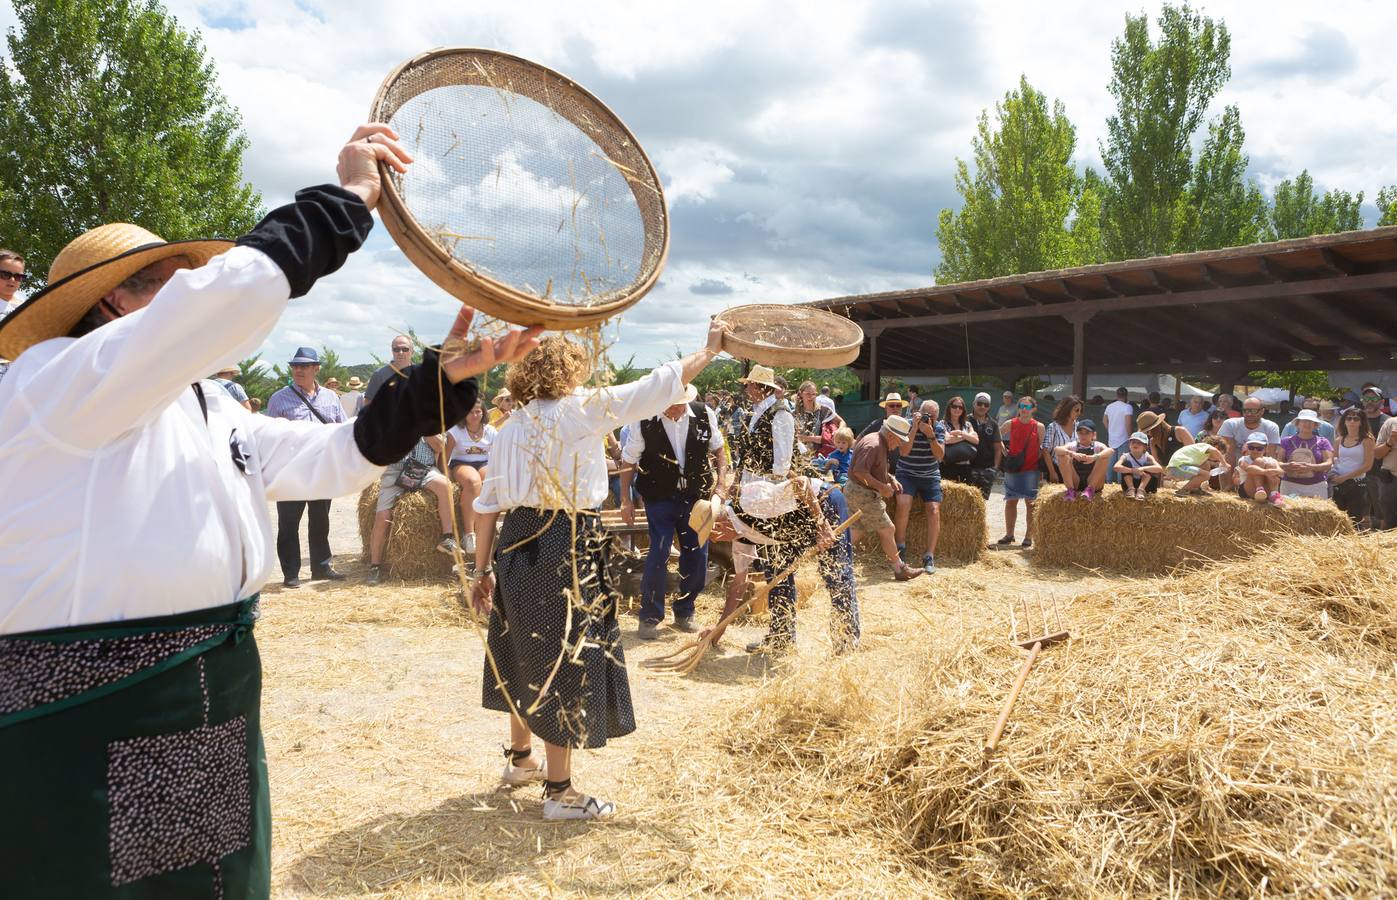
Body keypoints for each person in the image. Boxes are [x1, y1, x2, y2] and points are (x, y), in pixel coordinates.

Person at [0, 122, 541, 898]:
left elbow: (330, 457)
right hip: (89, 703)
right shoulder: (56, 380)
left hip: (202, 683)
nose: (190, 286)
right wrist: (344, 202)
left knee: (205, 879)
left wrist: (434, 383)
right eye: (167, 279)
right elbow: (225, 300)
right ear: (116, 299)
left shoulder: (206, 404)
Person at [468, 322, 725, 820]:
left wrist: (483, 571)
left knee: (520, 645)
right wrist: (712, 350)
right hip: (565, 543)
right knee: (565, 655)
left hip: (515, 543)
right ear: (570, 373)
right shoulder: (580, 411)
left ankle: (522, 761)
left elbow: (486, 507)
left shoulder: (511, 426)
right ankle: (560, 793)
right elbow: (659, 383)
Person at [620, 384, 726, 639]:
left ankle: (685, 610)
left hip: (695, 498)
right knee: (659, 552)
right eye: (670, 404)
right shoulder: (643, 420)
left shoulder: (704, 414)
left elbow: (720, 451)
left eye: (679, 404)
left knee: (697, 554)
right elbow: (629, 461)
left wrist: (721, 484)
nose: (675, 409)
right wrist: (625, 499)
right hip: (659, 497)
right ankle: (650, 617)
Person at [266, 347, 349, 587]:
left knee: (320, 520)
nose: (298, 370)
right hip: (290, 470)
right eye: (295, 366)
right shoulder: (279, 398)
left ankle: (321, 569)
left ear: (316, 369)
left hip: (322, 469)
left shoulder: (331, 398)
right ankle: (291, 574)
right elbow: (269, 436)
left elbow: (342, 429)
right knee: (289, 522)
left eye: (304, 366)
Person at [365, 434, 458, 586]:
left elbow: (440, 447)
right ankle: (375, 566)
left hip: (424, 469)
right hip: (394, 470)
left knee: (445, 486)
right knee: (382, 517)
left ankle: (447, 537)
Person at [845, 415, 925, 581]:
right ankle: (899, 568)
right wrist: (882, 487)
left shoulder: (877, 442)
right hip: (863, 494)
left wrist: (890, 479)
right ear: (890, 435)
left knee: (857, 530)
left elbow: (873, 468)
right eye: (898, 441)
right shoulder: (873, 445)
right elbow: (860, 472)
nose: (898, 445)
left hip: (856, 491)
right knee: (888, 530)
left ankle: (833, 560)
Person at [894, 399, 945, 575]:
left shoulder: (938, 428)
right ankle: (900, 547)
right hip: (906, 473)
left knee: (933, 510)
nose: (928, 418)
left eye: (932, 416)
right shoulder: (908, 425)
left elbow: (939, 456)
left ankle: (929, 555)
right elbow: (904, 452)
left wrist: (930, 434)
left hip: (929, 474)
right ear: (918, 412)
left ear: (937, 417)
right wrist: (915, 428)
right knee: (903, 503)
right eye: (925, 415)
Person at [445, 398, 496, 555]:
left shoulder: (491, 431)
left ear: (483, 412)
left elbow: (498, 455)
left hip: (483, 463)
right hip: (461, 462)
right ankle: (469, 534)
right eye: (470, 412)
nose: (474, 415)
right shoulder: (455, 431)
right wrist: (446, 476)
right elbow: (444, 458)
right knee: (473, 481)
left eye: (478, 411)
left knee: (490, 480)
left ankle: (487, 529)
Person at [997, 396, 1044, 548]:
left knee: (1030, 504)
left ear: (1033, 409)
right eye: (1022, 406)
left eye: (1028, 407)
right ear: (1018, 408)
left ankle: (1028, 536)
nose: (1024, 409)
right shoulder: (1011, 423)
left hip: (1031, 469)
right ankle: (1009, 534)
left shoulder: (1039, 426)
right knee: (1011, 501)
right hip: (1013, 468)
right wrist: (1004, 451)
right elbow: (996, 436)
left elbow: (1041, 448)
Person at [1331, 409, 1374, 527]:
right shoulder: (1339, 440)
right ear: (1344, 421)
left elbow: (1367, 465)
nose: (1352, 421)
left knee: (1355, 521)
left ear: (1361, 422)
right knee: (1338, 519)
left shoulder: (1367, 440)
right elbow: (1335, 461)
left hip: (1357, 484)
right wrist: (1335, 475)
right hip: (1339, 483)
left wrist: (1345, 477)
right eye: (1349, 418)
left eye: (1356, 419)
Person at [1278, 409, 1333, 499]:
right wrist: (1288, 465)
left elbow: (1328, 462)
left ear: (1315, 425)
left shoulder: (1323, 442)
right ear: (1298, 423)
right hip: (1290, 485)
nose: (1307, 424)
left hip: (1317, 486)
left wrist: (1311, 467)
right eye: (1304, 421)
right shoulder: (1286, 441)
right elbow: (1278, 461)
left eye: (1311, 421)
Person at [1054, 419, 1112, 501]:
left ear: (1093, 434)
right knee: (1062, 455)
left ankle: (1090, 489)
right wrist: (1072, 453)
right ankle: (1071, 491)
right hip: (1076, 482)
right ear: (1077, 434)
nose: (1083, 436)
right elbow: (1057, 449)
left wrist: (1094, 457)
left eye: (1087, 433)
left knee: (1104, 456)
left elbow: (1110, 451)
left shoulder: (1097, 445)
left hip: (1094, 483)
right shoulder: (1073, 445)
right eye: (1080, 433)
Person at [1359, 387, 1390, 529]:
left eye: (1373, 399)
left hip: (1380, 472)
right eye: (1366, 399)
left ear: (1382, 402)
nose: (1369, 402)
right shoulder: (1354, 419)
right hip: (1356, 472)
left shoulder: (1388, 422)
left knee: (1382, 512)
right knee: (1359, 511)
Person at [959, 391, 1001, 498]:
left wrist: (995, 468)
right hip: (967, 467)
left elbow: (998, 447)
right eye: (979, 403)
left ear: (989, 407)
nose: (982, 406)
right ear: (974, 404)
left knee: (982, 502)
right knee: (966, 500)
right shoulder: (964, 420)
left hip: (987, 469)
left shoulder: (993, 423)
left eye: (986, 404)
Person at [1218, 396, 1280, 465]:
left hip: (1260, 462)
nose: (1249, 414)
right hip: (1234, 460)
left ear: (1262, 411)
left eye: (1253, 411)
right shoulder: (1230, 424)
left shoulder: (1271, 427)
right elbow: (1229, 454)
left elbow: (1270, 455)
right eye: (1246, 410)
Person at [793, 379, 842, 457]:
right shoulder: (794, 413)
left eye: (813, 394)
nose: (811, 396)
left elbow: (841, 422)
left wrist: (838, 432)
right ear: (801, 394)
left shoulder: (823, 410)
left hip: (819, 456)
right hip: (798, 456)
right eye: (808, 394)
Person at [1234, 434, 1285, 506]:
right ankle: (1259, 490)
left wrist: (1272, 472)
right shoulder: (1244, 459)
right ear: (1247, 448)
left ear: (1266, 449)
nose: (1255, 450)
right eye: (1251, 447)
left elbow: (1281, 472)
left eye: (1259, 448)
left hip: (1267, 490)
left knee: (1271, 463)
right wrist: (1265, 472)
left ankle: (1274, 495)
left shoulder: (1271, 460)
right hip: (1248, 491)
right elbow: (1248, 468)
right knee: (1259, 461)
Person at [363, 334, 414, 406]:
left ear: (412, 352)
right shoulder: (379, 375)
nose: (400, 353)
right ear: (392, 351)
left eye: (405, 349)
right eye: (396, 349)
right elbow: (368, 403)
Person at [1040, 395, 1081, 483]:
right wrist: (1052, 472)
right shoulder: (1053, 426)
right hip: (1057, 469)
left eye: (1080, 411)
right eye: (1077, 410)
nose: (1079, 413)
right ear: (1067, 409)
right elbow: (1045, 450)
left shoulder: (1079, 426)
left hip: (1076, 470)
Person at [1113, 431, 1163, 499]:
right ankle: (1131, 489)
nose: (1135, 444)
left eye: (1139, 443)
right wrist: (1133, 470)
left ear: (1145, 447)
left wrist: (1143, 468)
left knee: (1149, 464)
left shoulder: (1148, 456)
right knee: (1126, 463)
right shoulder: (1125, 456)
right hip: (1129, 485)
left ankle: (1141, 490)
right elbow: (1116, 467)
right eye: (1133, 442)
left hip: (1147, 487)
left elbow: (1159, 468)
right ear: (1129, 445)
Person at [1103, 387, 1134, 483]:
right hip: (1124, 439)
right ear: (1126, 396)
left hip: (1112, 439)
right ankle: (1120, 484)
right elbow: (1128, 423)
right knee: (1122, 464)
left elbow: (1104, 421)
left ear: (1116, 395)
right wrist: (1130, 437)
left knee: (1110, 464)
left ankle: (1108, 483)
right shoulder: (1128, 407)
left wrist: (1111, 430)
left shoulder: (1109, 407)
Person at [1374, 412, 1397, 530]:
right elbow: (1377, 454)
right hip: (1391, 481)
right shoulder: (1390, 423)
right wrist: (1390, 442)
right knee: (1390, 522)